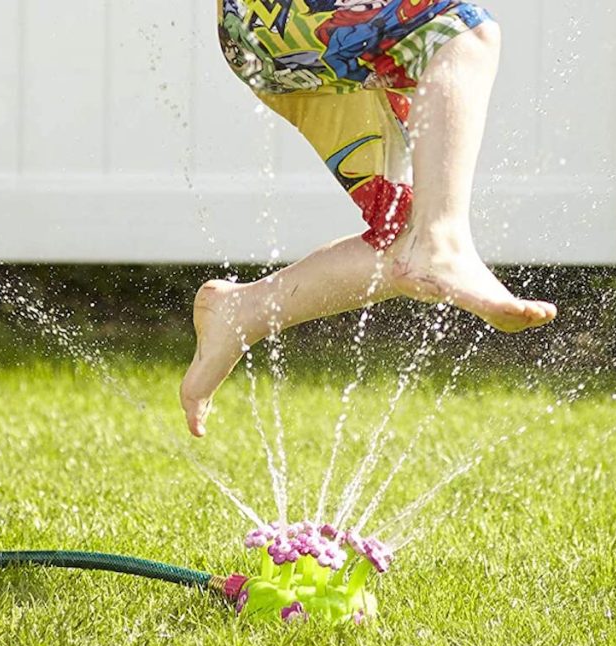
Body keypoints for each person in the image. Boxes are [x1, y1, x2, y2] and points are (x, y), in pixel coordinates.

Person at [181, 0, 558, 437]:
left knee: (406, 228)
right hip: (285, 18)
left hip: (284, 45)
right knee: (460, 31)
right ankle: (442, 244)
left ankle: (241, 312)